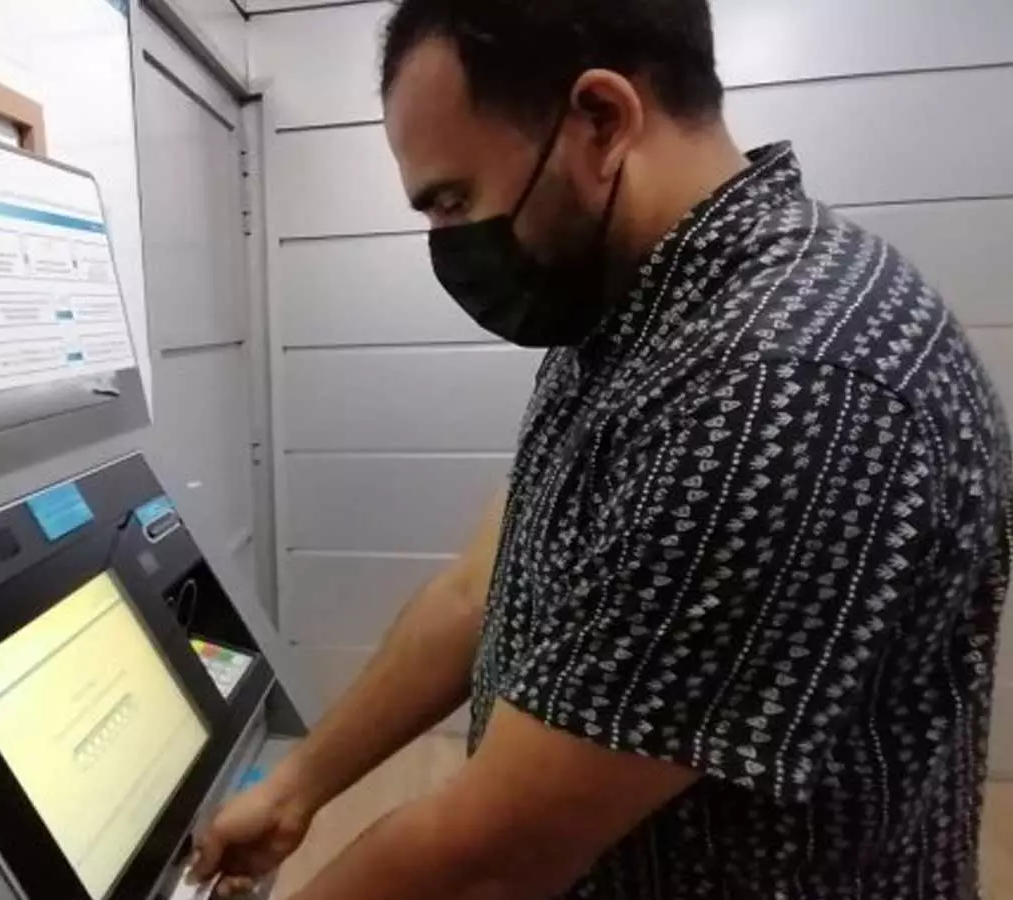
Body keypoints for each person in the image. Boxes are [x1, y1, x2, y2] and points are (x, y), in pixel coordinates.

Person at [190, 0, 1013, 897]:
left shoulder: (782, 385)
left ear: (603, 120)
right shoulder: (628, 314)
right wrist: (295, 788)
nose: (448, 242)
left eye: (454, 199)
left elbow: (500, 855)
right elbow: (482, 589)